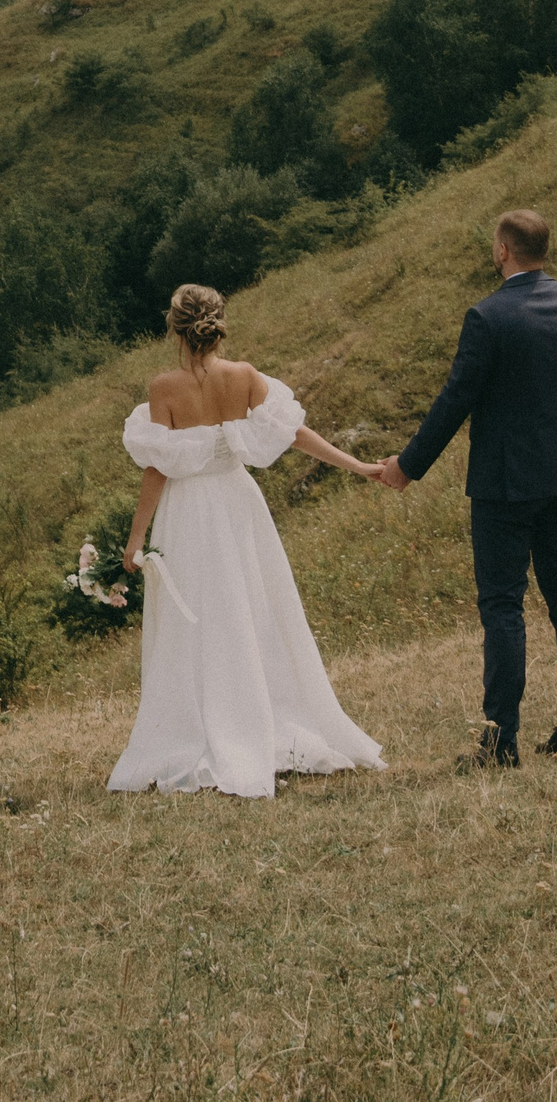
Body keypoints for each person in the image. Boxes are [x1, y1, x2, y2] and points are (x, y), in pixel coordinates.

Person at [107, 282, 385, 798]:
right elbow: (295, 434)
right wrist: (360, 466)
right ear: (217, 325)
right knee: (252, 609)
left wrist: (137, 536)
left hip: (188, 513)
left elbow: (157, 467)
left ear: (174, 329)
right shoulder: (245, 377)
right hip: (238, 505)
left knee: (197, 620)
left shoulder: (164, 388)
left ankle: (202, 729)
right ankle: (263, 718)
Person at [370, 208, 557, 768]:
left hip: (504, 485)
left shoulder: (488, 316)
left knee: (503, 606)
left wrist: (407, 465)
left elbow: (456, 400)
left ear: (503, 250)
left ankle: (501, 741)